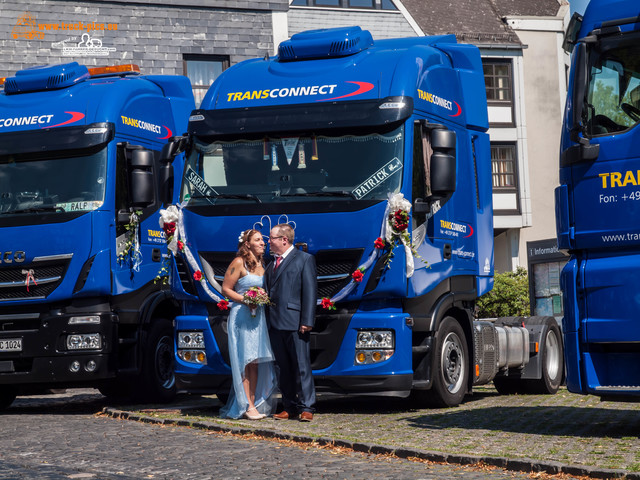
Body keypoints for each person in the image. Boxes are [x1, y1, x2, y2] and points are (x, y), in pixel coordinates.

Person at [219, 229, 277, 420]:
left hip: (257, 316)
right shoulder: (238, 262)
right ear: (247, 244)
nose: (263, 243)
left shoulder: (262, 263)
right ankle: (246, 405)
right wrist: (246, 299)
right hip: (242, 315)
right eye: (258, 240)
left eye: (263, 240)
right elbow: (226, 289)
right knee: (244, 361)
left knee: (255, 362)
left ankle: (253, 402)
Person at [265, 224, 317, 422]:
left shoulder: (304, 259)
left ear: (284, 240)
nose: (269, 241)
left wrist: (307, 320)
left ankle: (307, 407)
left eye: (272, 238)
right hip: (275, 323)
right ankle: (289, 406)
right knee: (283, 367)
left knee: (301, 366)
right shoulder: (271, 264)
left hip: (296, 323)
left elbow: (310, 292)